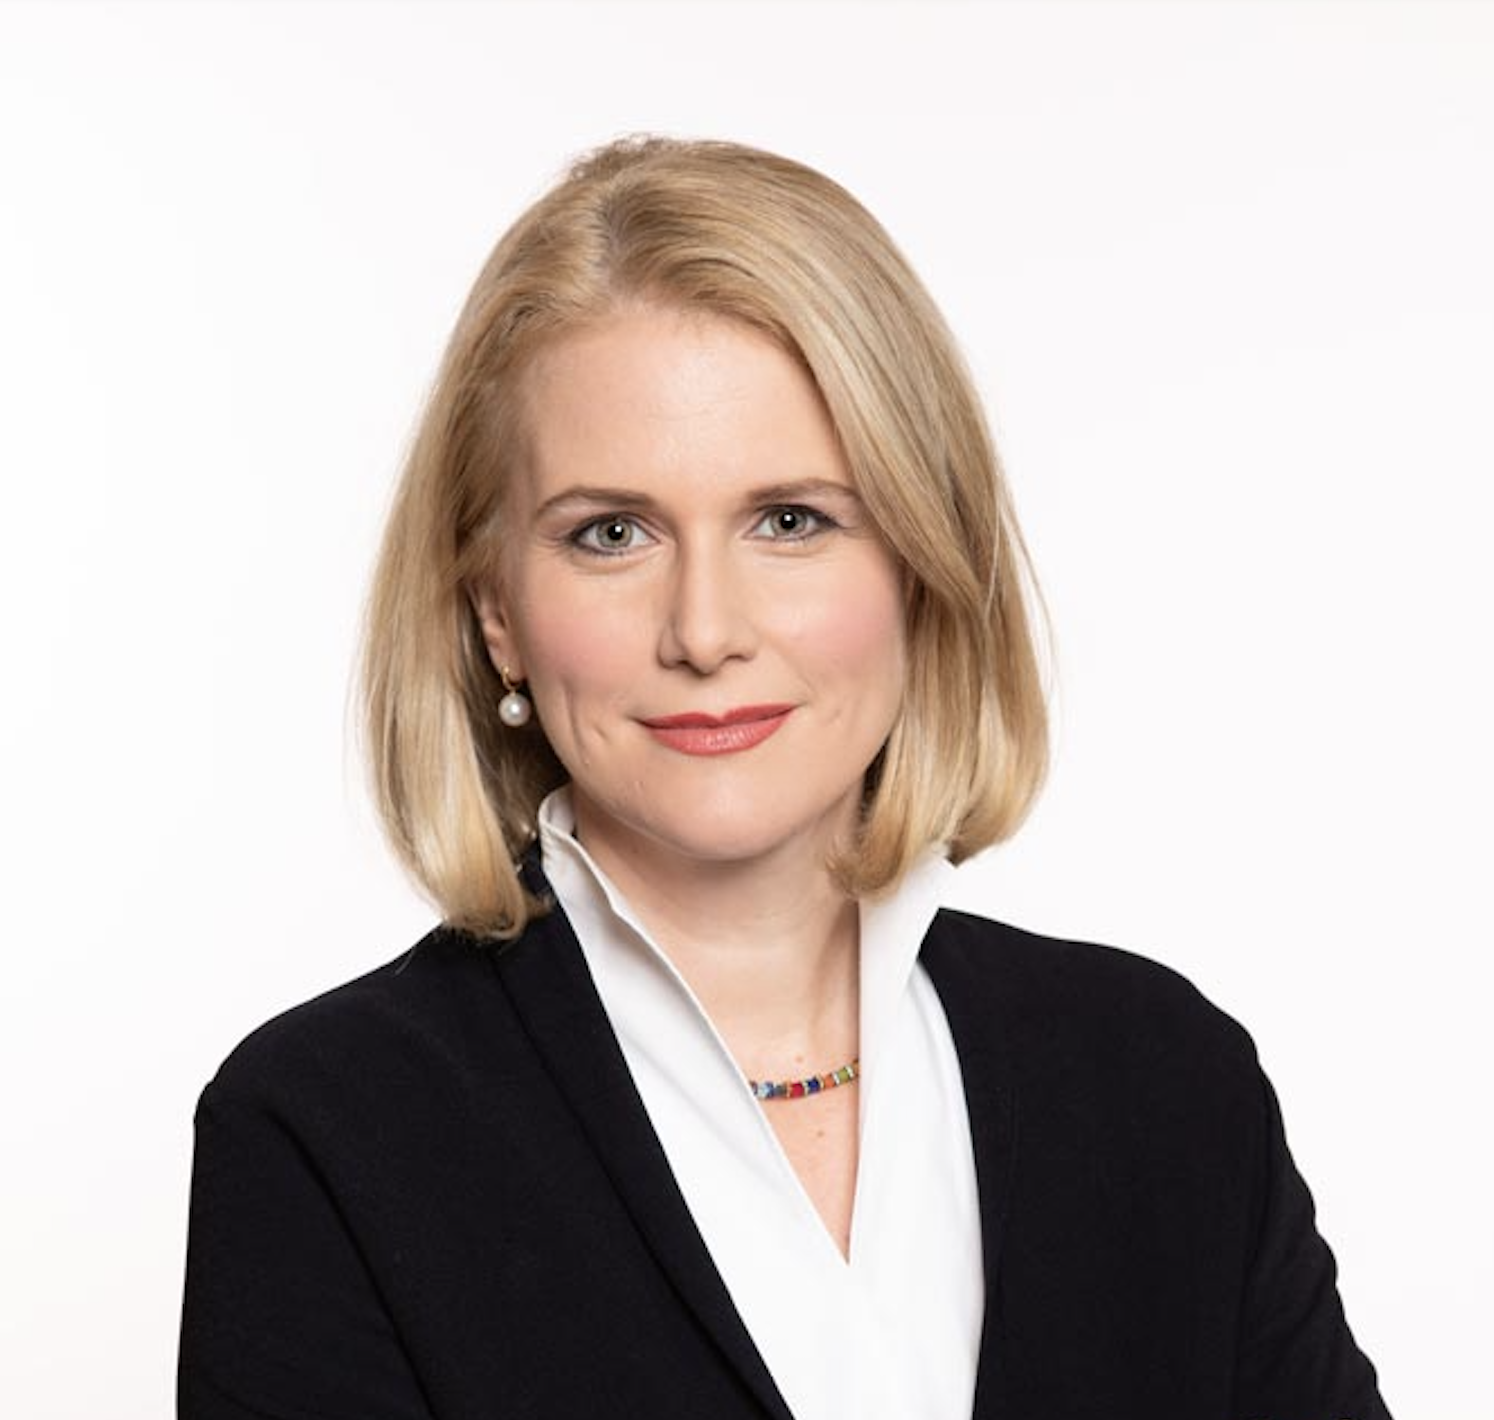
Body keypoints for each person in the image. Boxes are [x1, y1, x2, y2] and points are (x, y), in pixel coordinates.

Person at [177, 136, 1392, 1420]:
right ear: (494, 612)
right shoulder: (326, 1130)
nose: (705, 629)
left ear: (920, 562)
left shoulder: (1163, 1078)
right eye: (611, 533)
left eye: (792, 520)